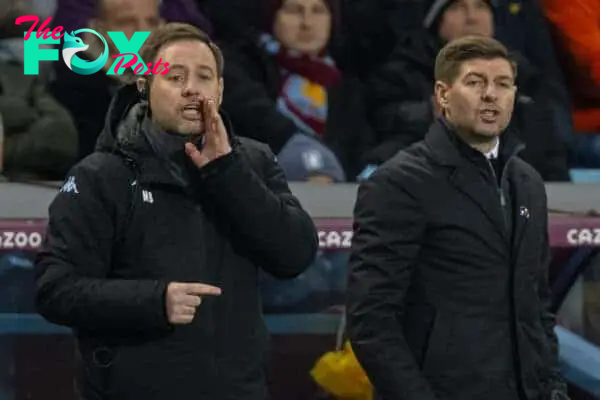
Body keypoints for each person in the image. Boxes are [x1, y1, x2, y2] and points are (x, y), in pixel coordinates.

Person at [34, 22, 318, 400]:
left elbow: (294, 255)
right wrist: (154, 300)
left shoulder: (254, 162)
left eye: (204, 76)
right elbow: (54, 288)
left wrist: (227, 172)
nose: (191, 89)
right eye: (174, 76)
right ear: (144, 84)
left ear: (220, 88)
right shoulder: (101, 175)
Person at [345, 36, 570, 400]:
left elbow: (537, 306)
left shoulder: (527, 182)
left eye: (502, 84)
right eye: (475, 82)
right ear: (443, 94)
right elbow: (371, 319)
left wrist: (553, 387)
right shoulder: (399, 182)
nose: (491, 95)